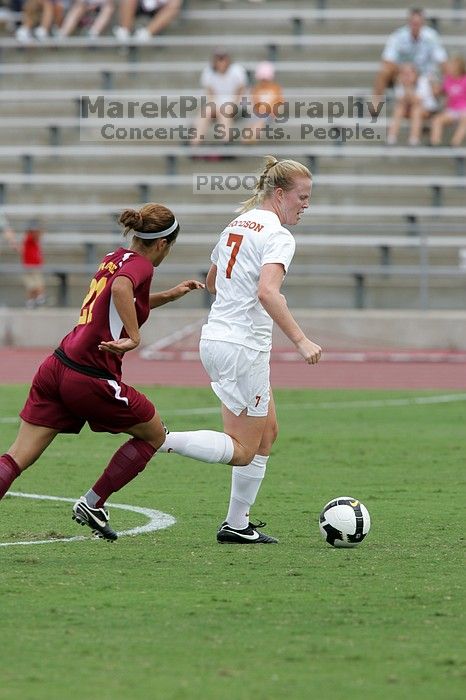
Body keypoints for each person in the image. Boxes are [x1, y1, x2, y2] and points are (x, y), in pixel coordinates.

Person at [0, 203, 204, 541]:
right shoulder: (140, 266)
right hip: (89, 374)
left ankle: (92, 505)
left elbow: (118, 296)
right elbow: (123, 289)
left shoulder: (115, 257)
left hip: (57, 366)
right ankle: (93, 503)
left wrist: (168, 295)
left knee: (16, 458)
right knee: (154, 434)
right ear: (163, 244)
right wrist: (134, 337)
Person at [159, 157, 322, 544]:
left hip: (217, 338)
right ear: (280, 194)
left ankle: (236, 524)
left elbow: (214, 281)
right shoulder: (279, 235)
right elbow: (268, 292)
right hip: (242, 346)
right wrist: (301, 340)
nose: (306, 204)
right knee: (244, 450)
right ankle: (157, 439)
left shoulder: (236, 224)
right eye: (302, 196)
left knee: (267, 434)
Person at [373, 7, 447, 99]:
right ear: (409, 22)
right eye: (413, 23)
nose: (415, 26)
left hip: (425, 75)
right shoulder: (398, 36)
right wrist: (406, 72)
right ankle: (374, 109)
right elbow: (387, 61)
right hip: (401, 74)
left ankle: (449, 108)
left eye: (418, 23)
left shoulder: (431, 37)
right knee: (383, 72)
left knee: (442, 83)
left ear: (422, 23)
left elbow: (442, 61)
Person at [192, 48, 248, 146]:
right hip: (217, 105)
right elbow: (209, 95)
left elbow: (240, 93)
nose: (221, 62)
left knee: (224, 111)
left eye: (223, 58)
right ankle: (195, 143)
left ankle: (226, 142)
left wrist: (231, 104)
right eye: (219, 59)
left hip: (235, 105)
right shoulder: (208, 72)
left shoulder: (237, 70)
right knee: (206, 112)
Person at [387, 63, 438, 146]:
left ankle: (414, 139)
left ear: (415, 73)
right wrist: (406, 86)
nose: (406, 76)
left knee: (416, 109)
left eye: (409, 73)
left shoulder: (423, 81)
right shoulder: (400, 83)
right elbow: (401, 100)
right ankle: (391, 138)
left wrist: (407, 87)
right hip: (410, 109)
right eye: (404, 73)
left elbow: (416, 101)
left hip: (427, 110)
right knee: (399, 108)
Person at [243, 60, 284, 142]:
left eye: (266, 79)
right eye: (262, 79)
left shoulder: (275, 88)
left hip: (269, 113)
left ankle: (252, 138)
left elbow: (279, 103)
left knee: (260, 122)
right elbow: (253, 101)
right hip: (257, 112)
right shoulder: (257, 88)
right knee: (251, 123)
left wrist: (273, 111)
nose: (264, 82)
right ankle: (247, 138)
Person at [430, 55, 466, 147]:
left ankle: (455, 143)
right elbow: (440, 93)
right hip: (451, 110)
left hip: (463, 110)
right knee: (437, 120)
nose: (450, 67)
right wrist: (434, 86)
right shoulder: (447, 79)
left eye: (452, 65)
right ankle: (435, 143)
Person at [113, 0, 181, 43]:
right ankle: (125, 32)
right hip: (139, 5)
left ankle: (145, 35)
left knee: (174, 5)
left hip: (159, 8)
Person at [21, 221, 47, 308]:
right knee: (34, 285)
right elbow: (37, 234)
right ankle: (36, 299)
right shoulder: (29, 237)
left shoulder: (33, 239)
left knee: (35, 284)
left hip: (34, 265)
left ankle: (36, 300)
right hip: (30, 265)